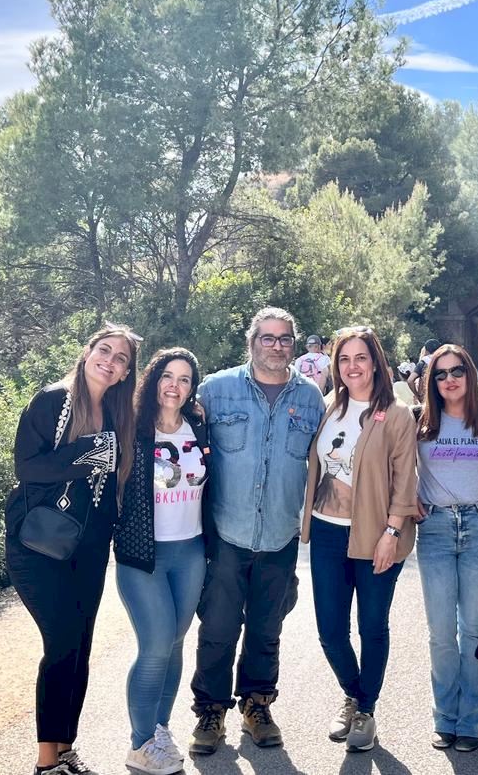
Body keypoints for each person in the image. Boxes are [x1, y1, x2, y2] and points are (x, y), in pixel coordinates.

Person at [4, 324, 140, 775]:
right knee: (62, 643)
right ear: (87, 352)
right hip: (38, 545)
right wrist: (89, 454)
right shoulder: (53, 401)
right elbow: (27, 466)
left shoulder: (117, 413)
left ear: (126, 372)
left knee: (79, 647)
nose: (110, 361)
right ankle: (46, 764)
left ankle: (65, 750)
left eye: (121, 358)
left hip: (89, 549)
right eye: (104, 350)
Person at [188, 308, 325, 755]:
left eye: (285, 339)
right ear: (252, 341)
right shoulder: (215, 390)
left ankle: (257, 707)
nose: (277, 346)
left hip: (280, 536)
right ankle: (210, 712)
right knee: (218, 628)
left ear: (294, 345)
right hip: (226, 534)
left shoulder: (311, 399)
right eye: (268, 338)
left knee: (267, 629)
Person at [301, 325, 418, 752]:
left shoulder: (397, 414)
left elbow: (405, 481)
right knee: (330, 631)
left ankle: (366, 710)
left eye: (361, 358)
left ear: (375, 363)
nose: (353, 367)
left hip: (376, 533)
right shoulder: (330, 406)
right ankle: (353, 693)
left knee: (372, 626)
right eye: (344, 359)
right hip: (327, 531)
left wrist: (392, 532)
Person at [114, 348, 209, 775]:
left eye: (184, 379)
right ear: (153, 379)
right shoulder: (132, 427)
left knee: (174, 643)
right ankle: (139, 744)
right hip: (142, 555)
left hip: (190, 552)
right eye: (168, 376)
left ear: (192, 388)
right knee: (154, 646)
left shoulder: (198, 426)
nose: (175, 385)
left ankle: (159, 730)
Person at [414, 344, 478, 752]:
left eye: (457, 371)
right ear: (431, 382)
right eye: (440, 374)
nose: (449, 379)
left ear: (469, 374)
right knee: (441, 632)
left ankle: (471, 721)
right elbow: (395, 465)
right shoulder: (418, 421)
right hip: (435, 528)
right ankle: (445, 718)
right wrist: (407, 496)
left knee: (473, 630)